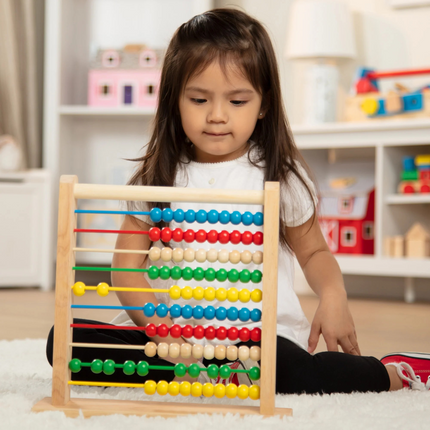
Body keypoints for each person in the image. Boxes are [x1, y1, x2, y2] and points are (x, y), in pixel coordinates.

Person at [46, 8, 429, 394]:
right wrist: (166, 334)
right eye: (198, 99)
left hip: (254, 343)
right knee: (63, 342)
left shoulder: (278, 177)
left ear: (263, 104)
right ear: (174, 101)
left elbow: (314, 254)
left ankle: (393, 372)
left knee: (295, 374)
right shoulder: (157, 179)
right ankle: (195, 373)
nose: (216, 116)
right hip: (170, 341)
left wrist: (333, 294)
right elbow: (126, 270)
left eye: (237, 101)